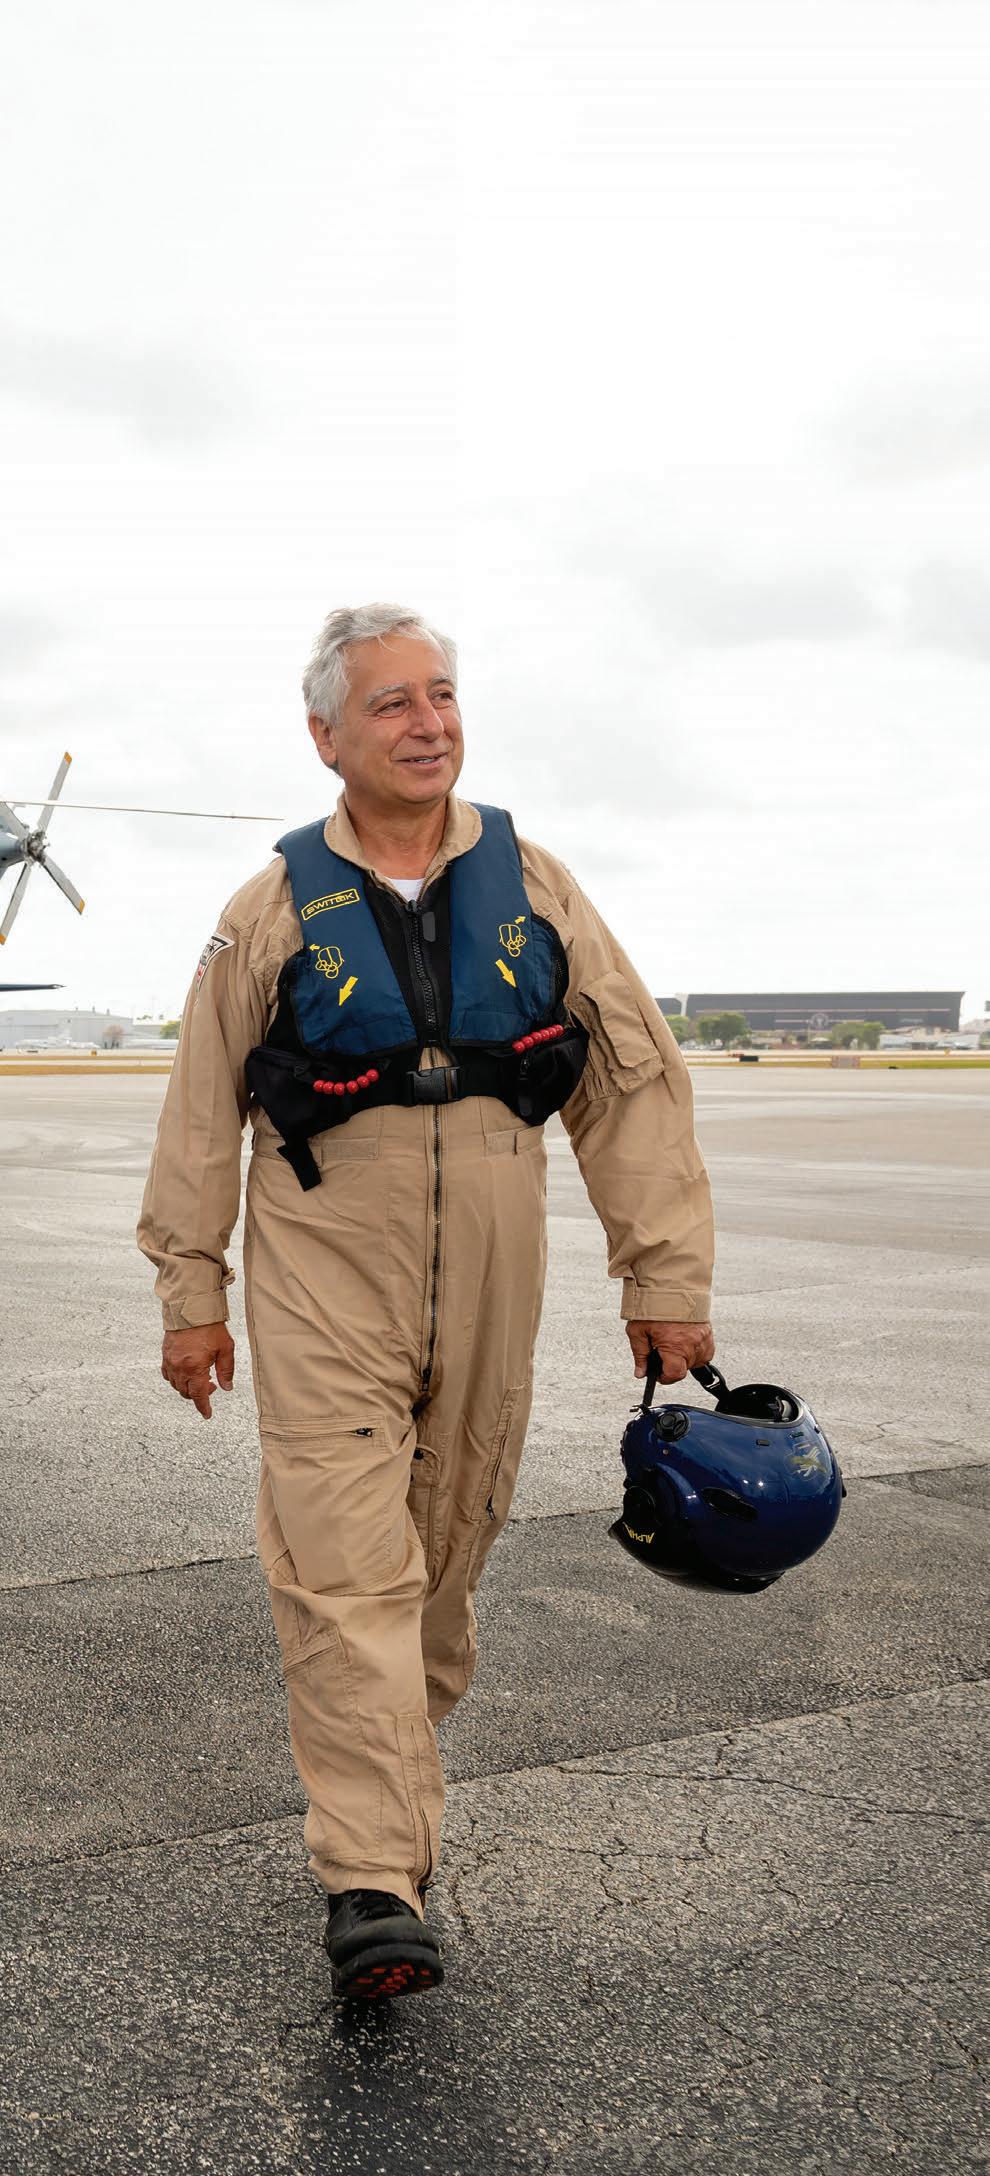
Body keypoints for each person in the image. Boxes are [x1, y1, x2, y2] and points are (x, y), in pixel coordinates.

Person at [138, 601, 716, 2001]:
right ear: (326, 736)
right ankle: (373, 1879)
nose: (427, 723)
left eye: (441, 694)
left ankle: (389, 1782)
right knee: (345, 1572)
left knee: (442, 1563)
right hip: (328, 1260)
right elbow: (201, 1111)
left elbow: (630, 1087)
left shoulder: (540, 887)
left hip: (497, 1255)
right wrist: (190, 1290)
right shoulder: (268, 910)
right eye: (391, 703)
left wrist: (664, 1276)